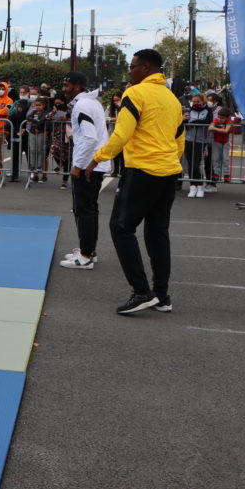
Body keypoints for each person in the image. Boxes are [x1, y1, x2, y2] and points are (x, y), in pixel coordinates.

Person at [86, 49, 183, 315]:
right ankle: (162, 296)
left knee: (120, 226)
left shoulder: (135, 93)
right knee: (157, 232)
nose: (129, 70)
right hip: (168, 170)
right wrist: (171, 161)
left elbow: (123, 132)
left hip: (143, 169)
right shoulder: (172, 99)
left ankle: (141, 291)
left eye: (133, 66)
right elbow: (179, 139)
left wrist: (99, 157)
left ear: (147, 68)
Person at [58, 72, 111, 270]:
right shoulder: (91, 103)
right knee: (89, 209)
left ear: (78, 87)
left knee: (83, 210)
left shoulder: (82, 105)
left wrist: (77, 166)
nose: (64, 89)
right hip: (94, 164)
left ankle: (86, 255)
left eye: (67, 85)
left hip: (88, 166)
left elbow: (89, 138)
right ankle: (88, 250)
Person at [183, 93, 212, 198]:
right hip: (189, 139)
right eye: (194, 102)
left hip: (201, 141)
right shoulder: (189, 110)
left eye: (198, 102)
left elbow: (208, 121)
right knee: (190, 165)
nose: (195, 103)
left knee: (196, 164)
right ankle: (192, 187)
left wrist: (194, 121)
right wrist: (185, 120)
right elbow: (184, 121)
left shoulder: (207, 111)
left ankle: (200, 186)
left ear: (203, 101)